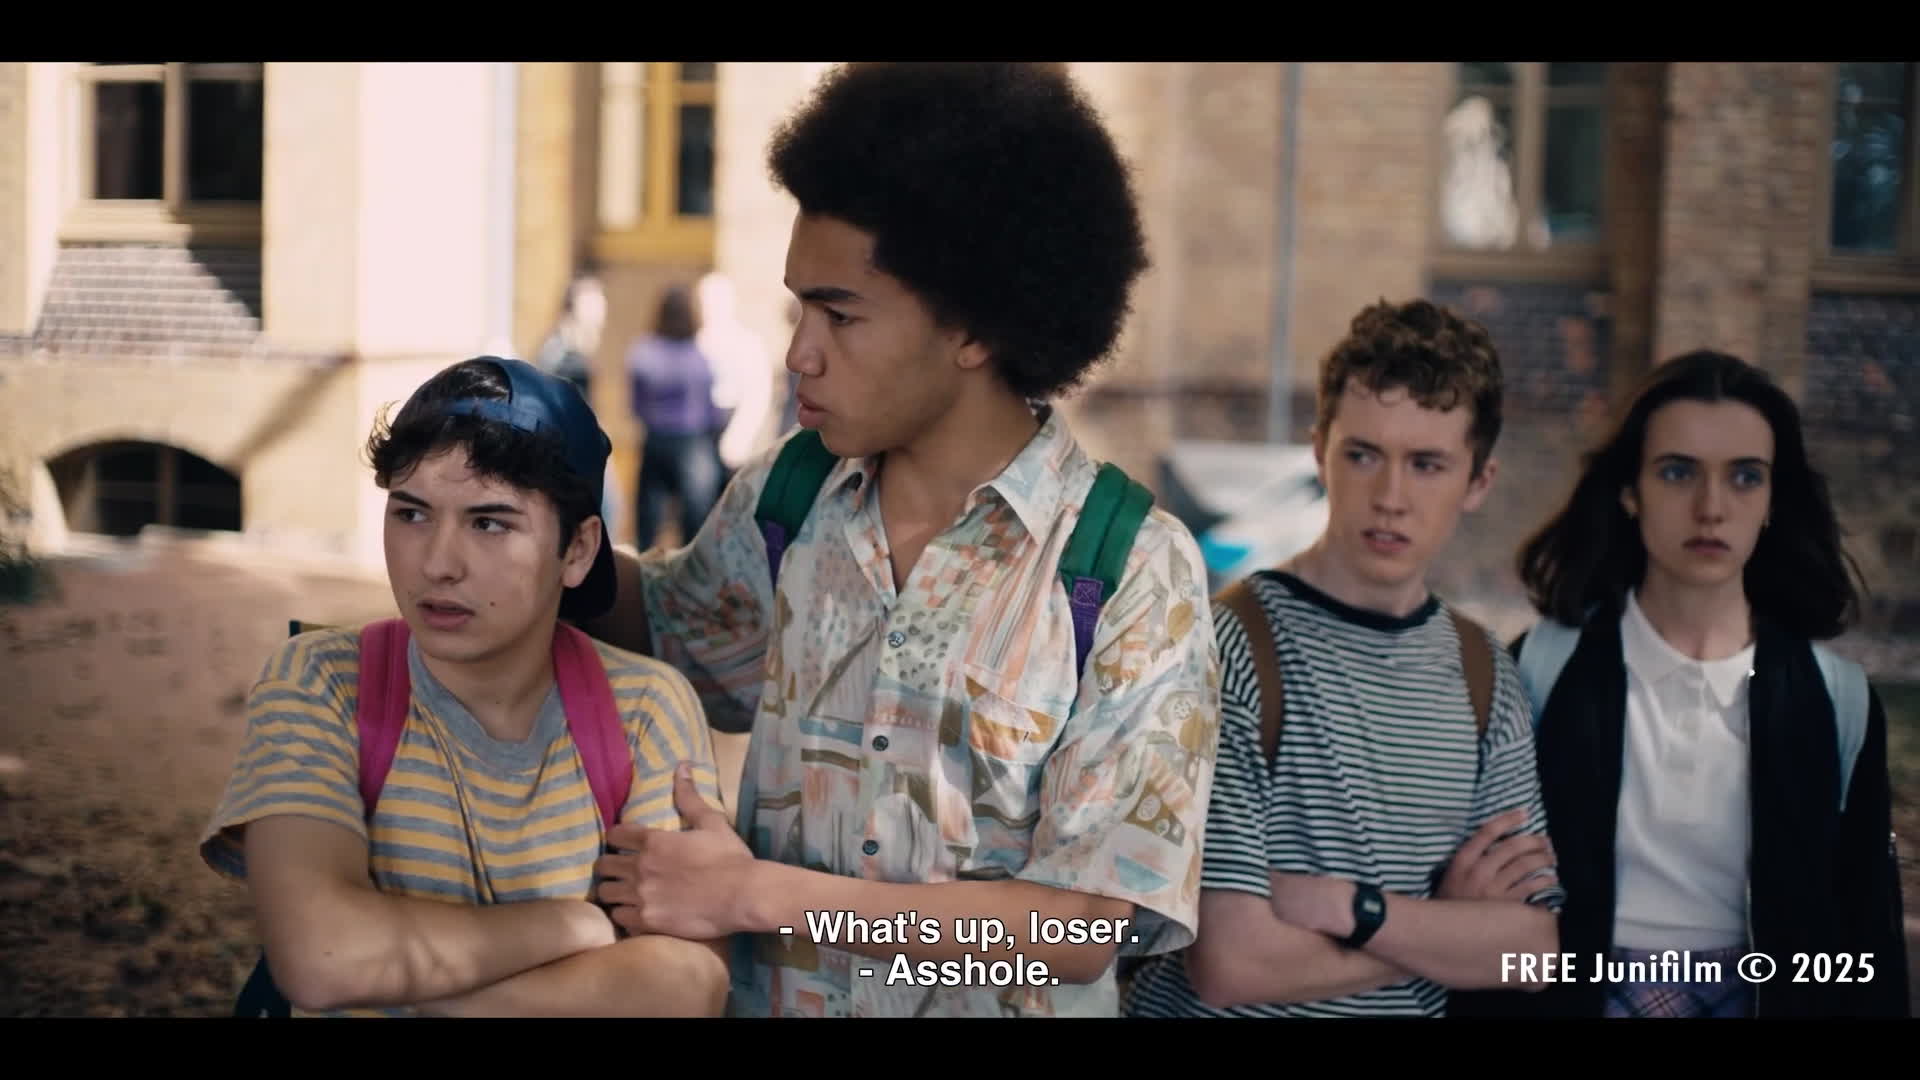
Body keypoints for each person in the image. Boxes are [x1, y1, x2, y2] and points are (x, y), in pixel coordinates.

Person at [579, 61, 1221, 1018]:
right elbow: (672, 631)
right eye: (800, 308)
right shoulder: (787, 497)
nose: (800, 351)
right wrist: (545, 533)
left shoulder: (1130, 569)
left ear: (973, 327)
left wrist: (757, 895)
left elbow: (1081, 932)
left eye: (840, 314)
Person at [199, 356, 731, 1018]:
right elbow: (322, 956)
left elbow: (685, 986)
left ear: (577, 550)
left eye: (489, 523)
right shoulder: (323, 682)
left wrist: (397, 987)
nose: (437, 564)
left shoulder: (645, 710)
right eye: (411, 514)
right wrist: (575, 924)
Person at [1124, 298, 1565, 1018]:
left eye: (1427, 465)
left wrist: (1349, 907)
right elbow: (1231, 965)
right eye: (1363, 455)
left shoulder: (1483, 672)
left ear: (1479, 482)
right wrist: (1442, 925)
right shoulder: (1229, 645)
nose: (1390, 496)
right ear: (1319, 451)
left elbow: (1533, 954)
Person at [1480, 348, 1909, 1018]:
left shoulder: (1838, 700)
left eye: (1745, 477)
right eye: (1678, 473)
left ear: (1772, 500)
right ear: (1630, 491)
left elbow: (1865, 932)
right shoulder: (1540, 669)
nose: (1711, 508)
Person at [628, 285, 728, 548]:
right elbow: (710, 408)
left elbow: (636, 406)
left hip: (656, 439)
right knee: (695, 521)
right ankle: (690, 569)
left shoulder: (644, 352)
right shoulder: (699, 356)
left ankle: (642, 567)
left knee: (648, 520)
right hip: (692, 441)